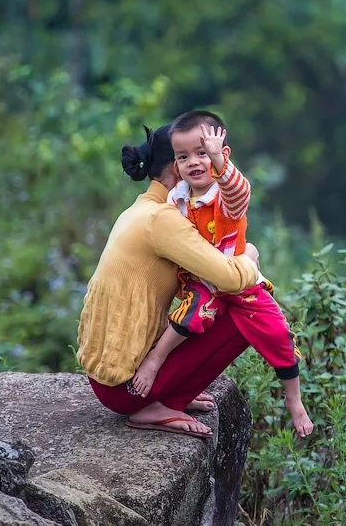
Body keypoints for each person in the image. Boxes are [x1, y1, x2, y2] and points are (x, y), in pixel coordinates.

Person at [130, 111, 314, 438]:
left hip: (241, 284)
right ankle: (156, 359)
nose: (194, 162)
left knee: (278, 334)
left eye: (202, 153)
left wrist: (218, 162)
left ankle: (294, 399)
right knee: (191, 316)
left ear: (221, 155)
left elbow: (240, 190)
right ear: (175, 164)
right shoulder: (177, 201)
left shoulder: (225, 198)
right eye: (184, 157)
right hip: (203, 282)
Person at [76, 122, 261, 439]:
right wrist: (250, 256)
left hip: (108, 378)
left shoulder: (141, 209)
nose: (203, 163)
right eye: (195, 155)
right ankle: (161, 405)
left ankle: (173, 394)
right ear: (179, 164)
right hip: (126, 389)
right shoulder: (164, 220)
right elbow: (230, 279)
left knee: (210, 300)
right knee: (250, 312)